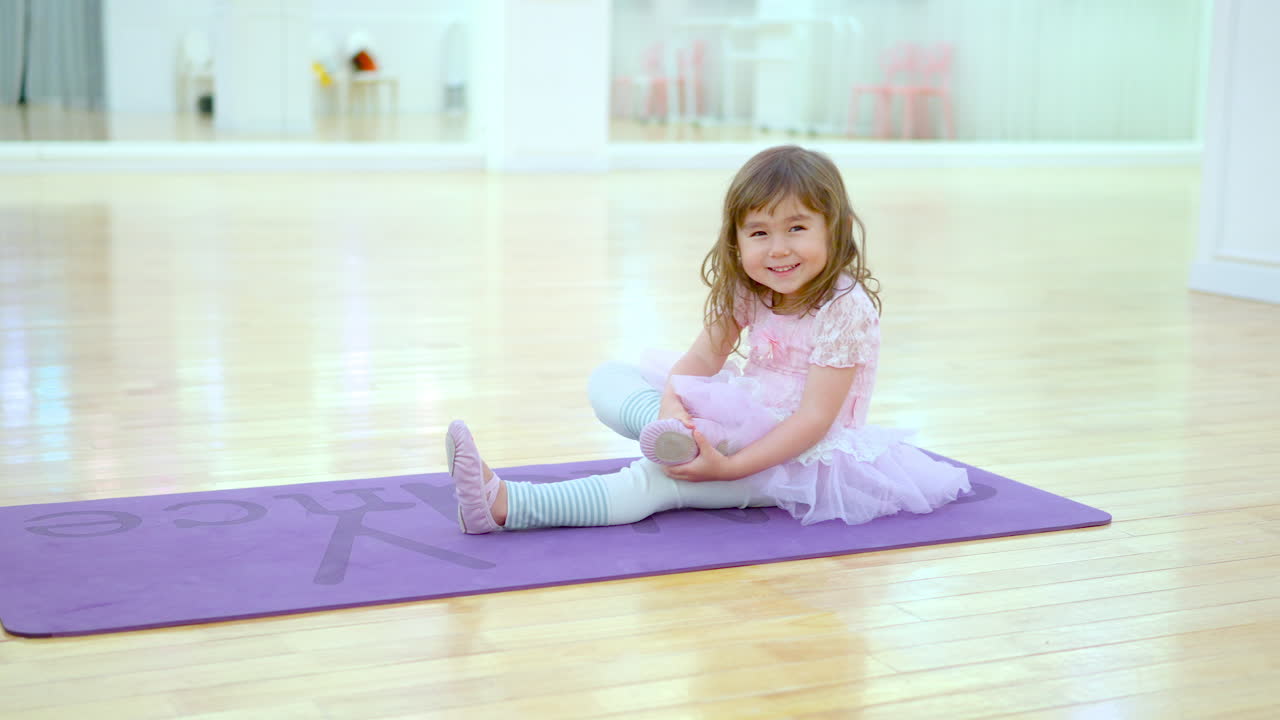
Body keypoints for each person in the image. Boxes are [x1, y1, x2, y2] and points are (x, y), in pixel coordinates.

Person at [446, 145, 970, 534]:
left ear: (835, 229)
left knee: (654, 483)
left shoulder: (843, 308)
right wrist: (674, 403)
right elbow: (699, 358)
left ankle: (506, 506)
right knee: (610, 378)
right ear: (736, 240)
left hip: (792, 457)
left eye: (797, 228)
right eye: (759, 233)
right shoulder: (749, 289)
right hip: (733, 420)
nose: (778, 249)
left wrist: (729, 468)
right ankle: (674, 434)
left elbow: (814, 421)